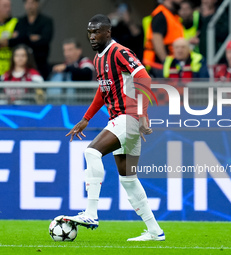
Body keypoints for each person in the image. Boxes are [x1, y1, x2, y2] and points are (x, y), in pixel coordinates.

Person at [63, 14, 165, 242]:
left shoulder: (119, 52)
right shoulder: (98, 58)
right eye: (89, 32)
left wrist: (143, 114)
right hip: (121, 120)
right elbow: (102, 90)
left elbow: (144, 78)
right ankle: (155, 231)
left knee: (91, 152)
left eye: (96, 32)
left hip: (128, 117)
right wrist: (86, 118)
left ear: (107, 32)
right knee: (128, 179)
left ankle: (90, 213)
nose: (92, 36)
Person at [142, 0, 184, 77]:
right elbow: (157, 42)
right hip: (159, 67)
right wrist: (166, 63)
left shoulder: (172, 15)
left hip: (168, 65)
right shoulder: (161, 16)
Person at [15, 0, 54, 79]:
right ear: (24, 5)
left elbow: (45, 39)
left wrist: (24, 37)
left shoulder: (46, 21)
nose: (30, 6)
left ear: (37, 4)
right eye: (28, 3)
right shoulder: (19, 21)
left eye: (32, 3)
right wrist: (32, 38)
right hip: (22, 66)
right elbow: (16, 40)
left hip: (40, 63)